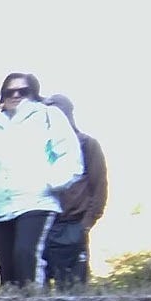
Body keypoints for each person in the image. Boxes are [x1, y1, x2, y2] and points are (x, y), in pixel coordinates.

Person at [0, 73, 83, 289]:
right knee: (7, 272)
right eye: (9, 92)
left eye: (22, 91)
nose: (16, 95)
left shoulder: (49, 116)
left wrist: (53, 182)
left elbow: (69, 154)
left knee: (26, 256)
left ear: (33, 94)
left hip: (36, 201)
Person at [40, 94, 107, 289]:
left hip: (72, 224)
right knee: (35, 289)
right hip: (40, 223)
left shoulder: (86, 144)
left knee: (73, 289)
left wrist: (85, 224)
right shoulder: (39, 146)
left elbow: (99, 187)